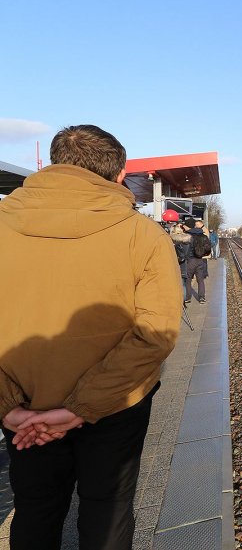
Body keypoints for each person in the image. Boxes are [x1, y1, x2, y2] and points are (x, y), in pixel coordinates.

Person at [0, 125, 183, 550]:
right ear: (119, 175)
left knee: (35, 507)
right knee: (108, 507)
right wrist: (82, 407)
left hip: (27, 411)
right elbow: (156, 333)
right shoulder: (145, 236)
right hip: (116, 408)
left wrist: (9, 408)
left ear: (53, 164)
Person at [183, 217, 210, 303]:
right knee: (200, 280)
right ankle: (202, 298)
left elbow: (184, 249)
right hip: (200, 260)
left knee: (188, 280)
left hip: (190, 260)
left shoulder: (187, 236)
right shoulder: (204, 236)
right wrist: (203, 254)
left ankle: (187, 298)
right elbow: (208, 248)